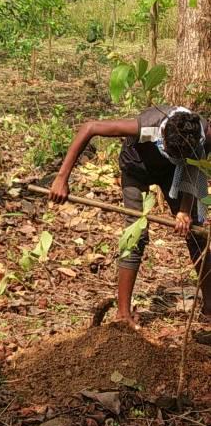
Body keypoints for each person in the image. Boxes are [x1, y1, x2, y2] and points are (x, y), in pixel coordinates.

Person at [49, 105, 211, 333]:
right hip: (136, 167)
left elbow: (194, 170)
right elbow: (90, 127)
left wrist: (184, 210)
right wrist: (62, 177)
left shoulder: (203, 135)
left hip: (174, 173)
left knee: (195, 232)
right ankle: (123, 314)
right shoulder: (147, 126)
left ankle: (210, 308)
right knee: (136, 235)